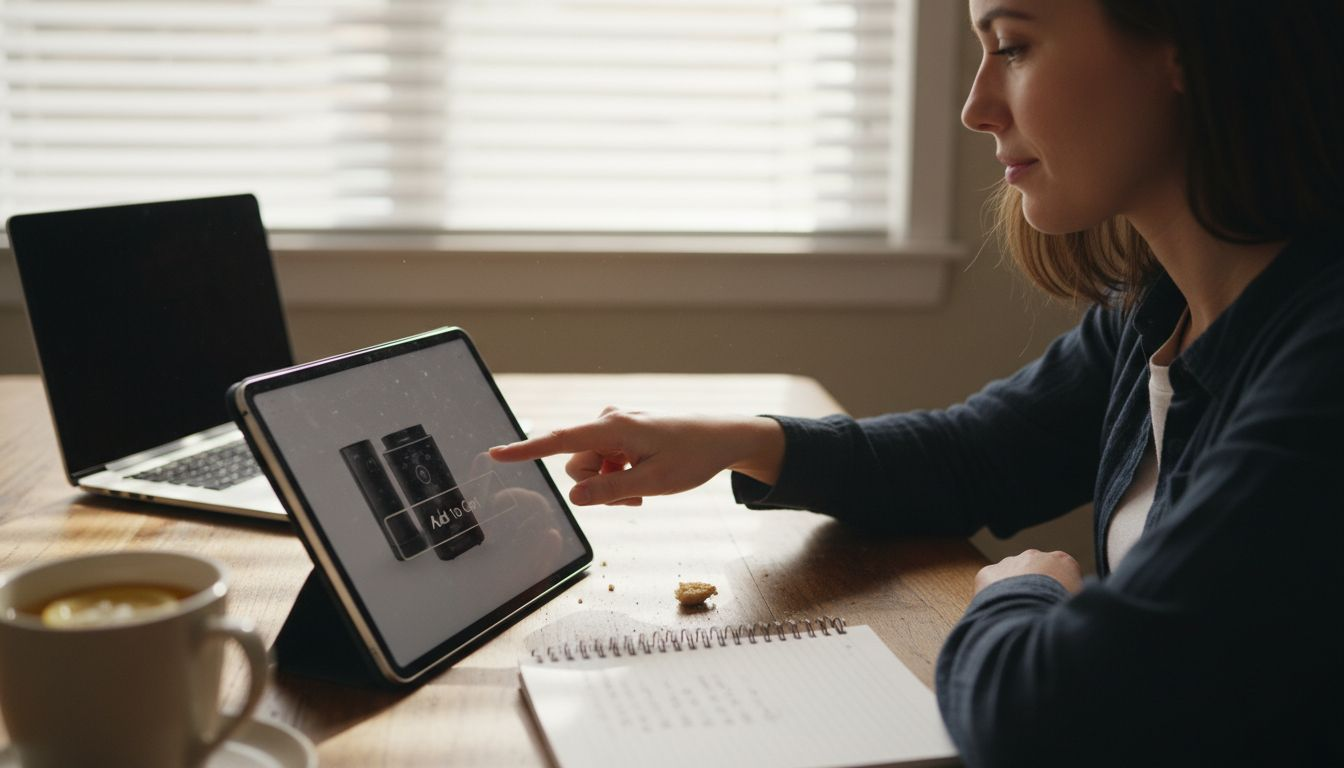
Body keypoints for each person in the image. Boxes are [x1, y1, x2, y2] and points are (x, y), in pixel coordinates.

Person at [490, 0, 1344, 764]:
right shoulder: (1156, 309)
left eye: (1012, 45)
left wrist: (1021, 594)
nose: (975, 107)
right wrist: (738, 443)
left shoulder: (1318, 368)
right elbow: (975, 455)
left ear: (1184, 46)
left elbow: (1045, 716)